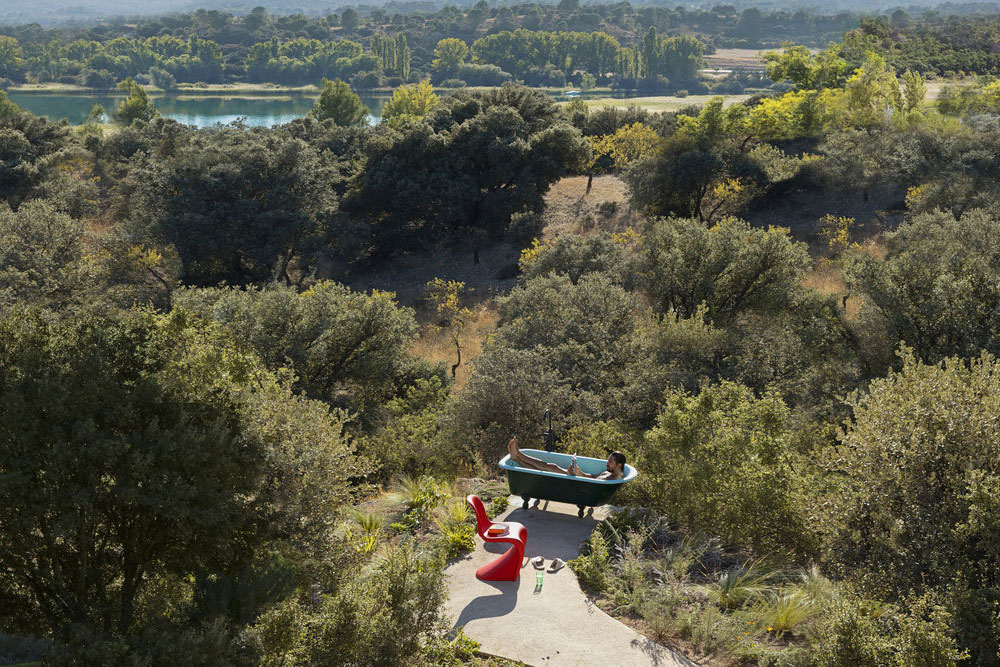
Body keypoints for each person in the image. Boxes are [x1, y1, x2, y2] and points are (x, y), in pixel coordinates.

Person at [507, 437, 626, 480]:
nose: (607, 463)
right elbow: (593, 478)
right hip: (577, 479)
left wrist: (577, 474)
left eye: (610, 461)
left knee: (550, 467)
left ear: (619, 465)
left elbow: (594, 484)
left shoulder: (614, 478)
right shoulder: (608, 472)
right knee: (545, 470)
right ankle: (517, 458)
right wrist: (580, 472)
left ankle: (518, 455)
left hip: (576, 483)